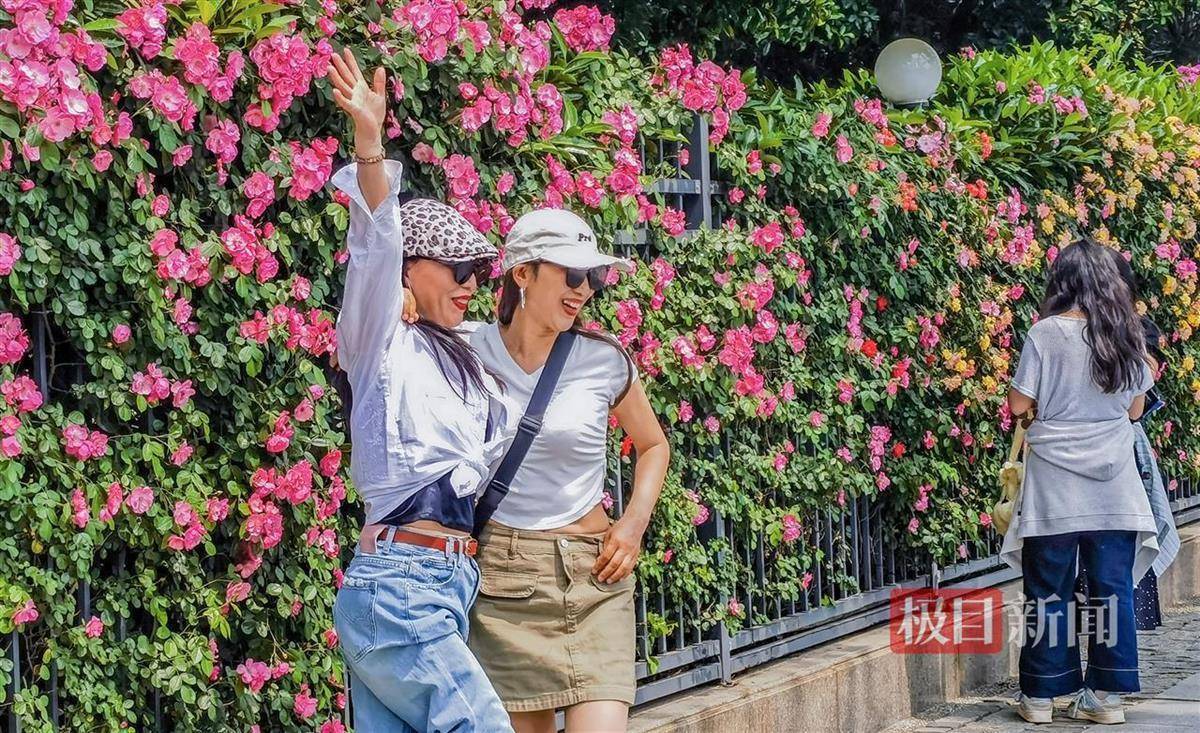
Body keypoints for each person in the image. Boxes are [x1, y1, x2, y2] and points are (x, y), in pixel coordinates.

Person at [325, 48, 514, 732]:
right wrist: (369, 144)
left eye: (478, 270)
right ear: (410, 269)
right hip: (401, 585)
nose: (470, 282)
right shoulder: (382, 340)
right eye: (456, 267)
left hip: (442, 587)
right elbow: (375, 243)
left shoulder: (469, 358)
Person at [467, 209, 671, 732]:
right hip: (504, 583)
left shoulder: (603, 359)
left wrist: (633, 524)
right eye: (572, 273)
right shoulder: (467, 349)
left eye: (593, 276)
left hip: (594, 573)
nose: (584, 289)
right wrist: (403, 300)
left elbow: (653, 445)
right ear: (522, 272)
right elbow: (380, 335)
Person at [1002, 237, 1160, 726]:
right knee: (1112, 589)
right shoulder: (1127, 335)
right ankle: (1106, 698)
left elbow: (1018, 404)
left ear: (1063, 282)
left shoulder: (1044, 334)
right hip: (1114, 485)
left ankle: (1041, 697)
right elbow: (1134, 410)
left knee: (1048, 588)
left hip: (1055, 487)